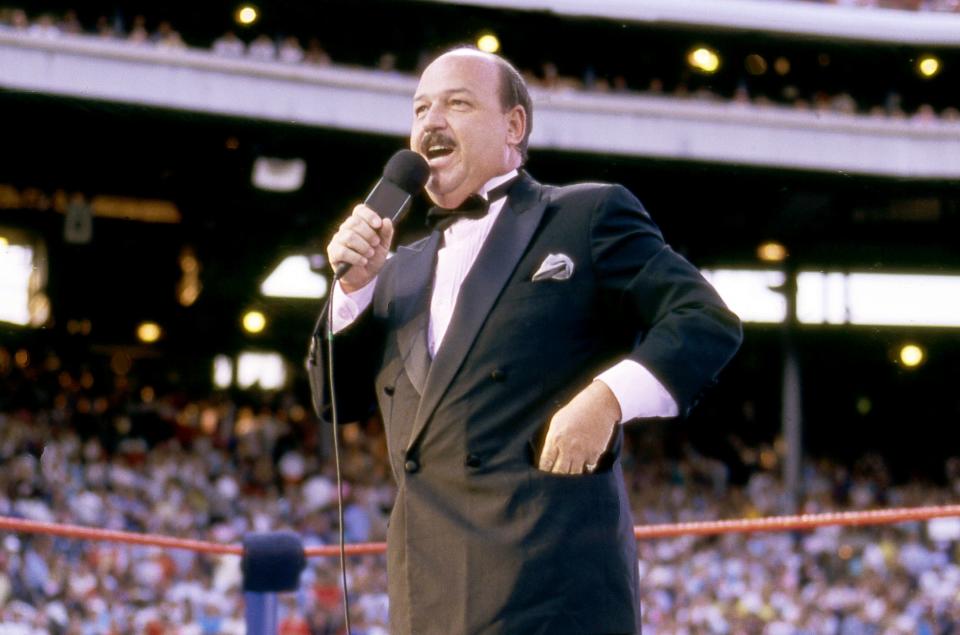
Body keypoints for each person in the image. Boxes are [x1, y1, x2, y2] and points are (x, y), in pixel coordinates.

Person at [312, 47, 742, 635]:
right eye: (420, 109)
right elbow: (337, 402)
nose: (431, 122)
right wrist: (352, 294)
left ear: (513, 126)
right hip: (428, 598)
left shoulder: (584, 215)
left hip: (551, 593)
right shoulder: (396, 271)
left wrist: (608, 398)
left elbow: (703, 318)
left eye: (457, 103)